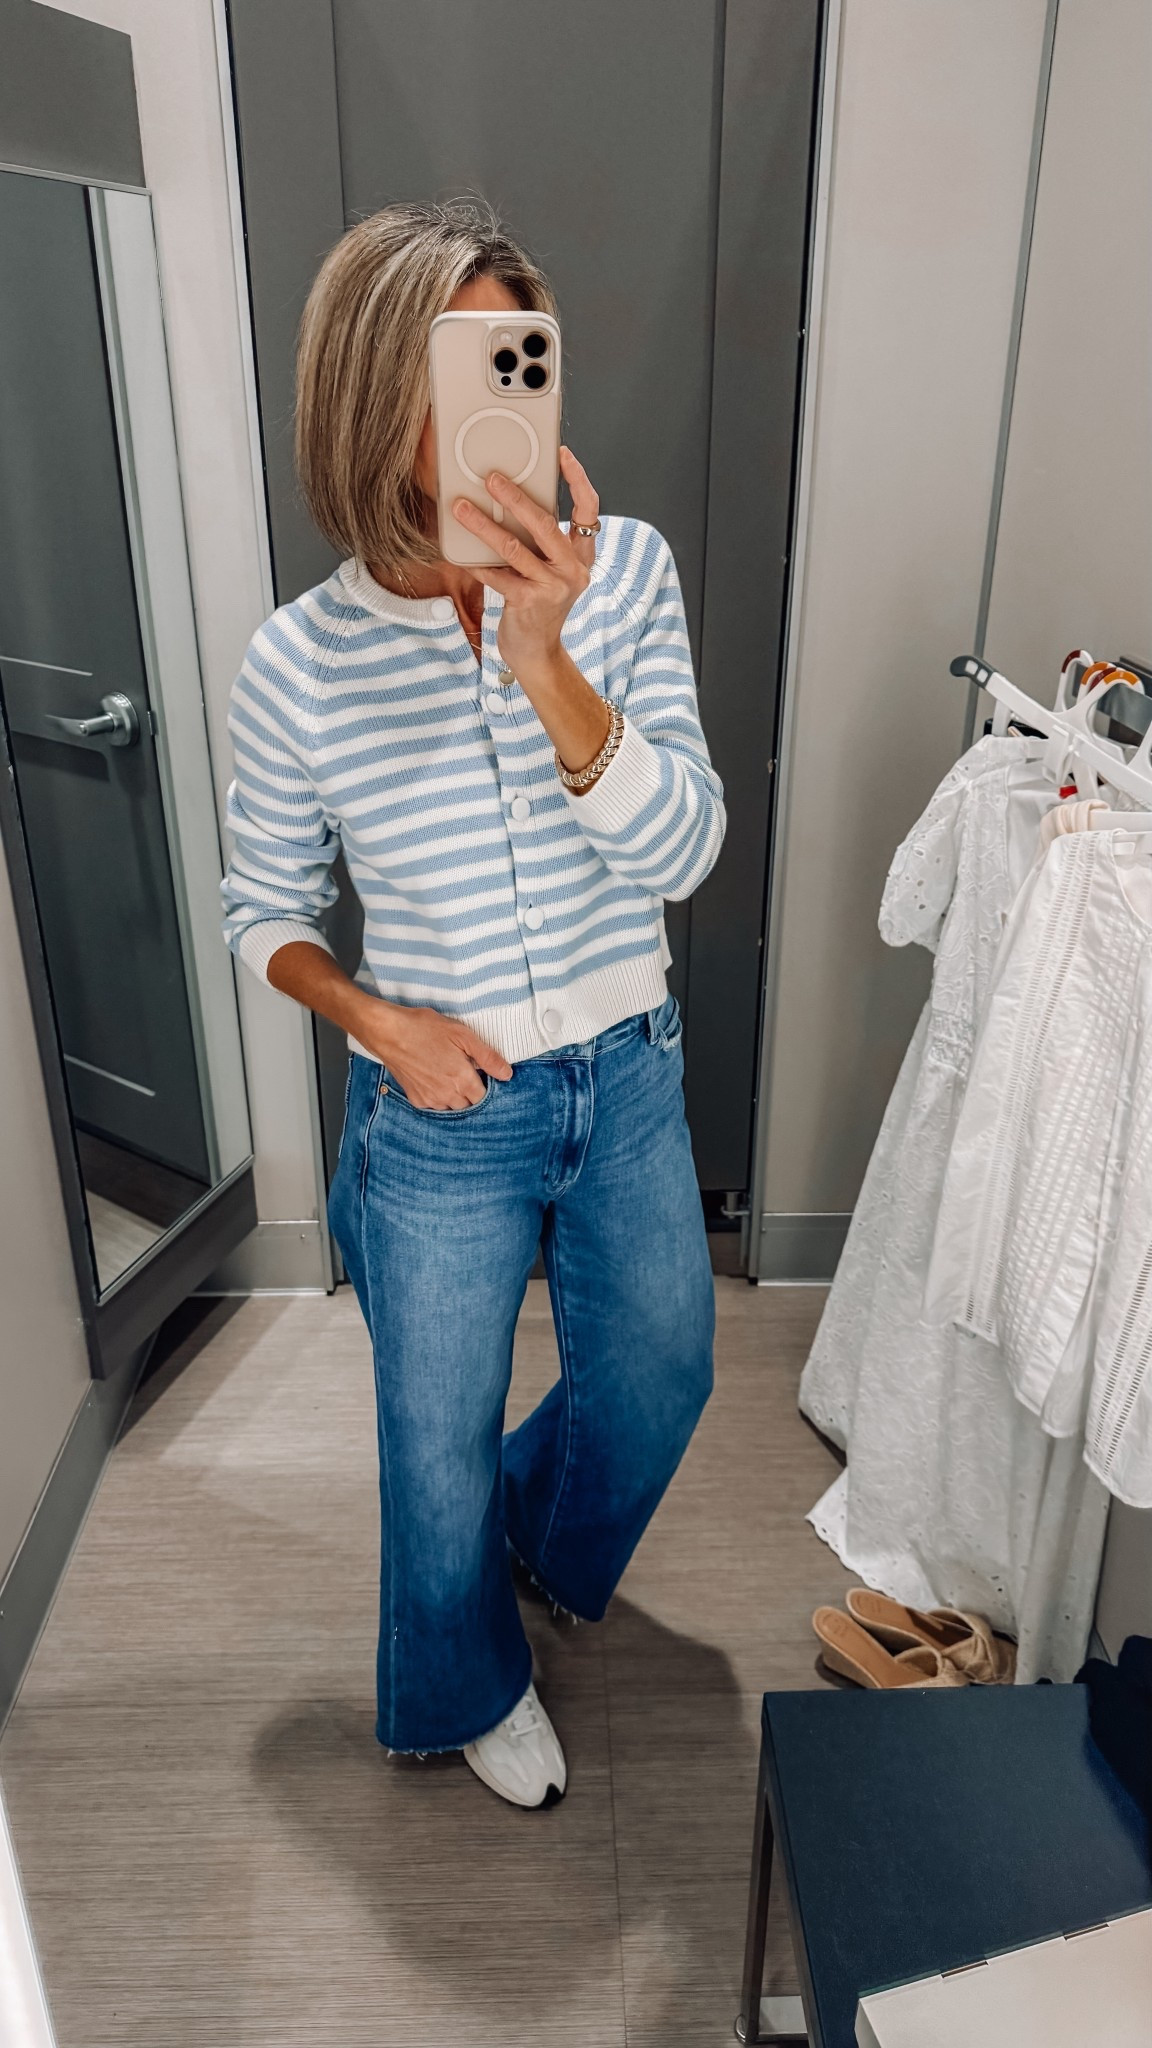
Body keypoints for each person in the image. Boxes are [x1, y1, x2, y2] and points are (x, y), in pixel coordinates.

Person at [221, 201, 725, 1808]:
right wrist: (378, 1024)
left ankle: (520, 1553)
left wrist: (547, 658)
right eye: (461, 374)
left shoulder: (619, 577)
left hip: (628, 1073)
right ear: (377, 404)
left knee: (660, 1377)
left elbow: (688, 847)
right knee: (427, 1446)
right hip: (441, 1111)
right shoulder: (297, 664)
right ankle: (461, 1678)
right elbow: (262, 910)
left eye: (521, 362)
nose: (502, 408)